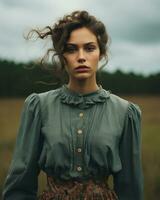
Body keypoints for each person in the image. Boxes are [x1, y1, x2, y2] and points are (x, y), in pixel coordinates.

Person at [2, 10, 143, 200]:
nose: (81, 56)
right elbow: (20, 185)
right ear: (62, 56)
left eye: (89, 48)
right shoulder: (39, 106)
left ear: (101, 53)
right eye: (71, 49)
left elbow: (130, 188)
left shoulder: (125, 112)